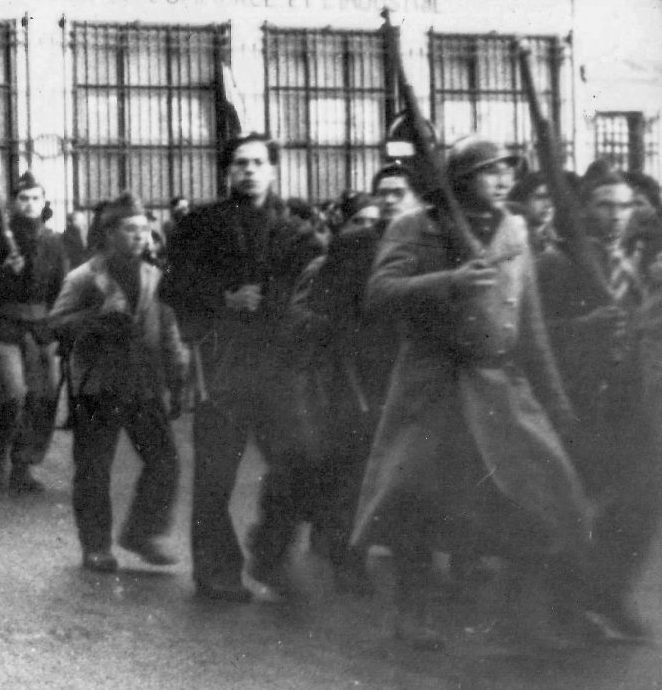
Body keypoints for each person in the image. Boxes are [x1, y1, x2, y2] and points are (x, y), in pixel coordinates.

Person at [353, 138, 588, 651]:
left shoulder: (515, 229)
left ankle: (524, 617)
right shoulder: (415, 225)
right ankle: (412, 614)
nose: (503, 181)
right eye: (489, 172)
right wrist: (449, 280)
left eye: (508, 171)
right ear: (461, 180)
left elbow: (529, 325)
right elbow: (381, 293)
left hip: (498, 383)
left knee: (538, 493)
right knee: (416, 501)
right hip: (434, 382)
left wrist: (555, 400)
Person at [160, 134, 324, 602]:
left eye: (257, 163)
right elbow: (170, 289)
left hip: (280, 366)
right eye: (239, 163)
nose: (248, 171)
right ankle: (215, 572)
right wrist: (223, 299)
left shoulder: (299, 231)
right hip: (224, 363)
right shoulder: (200, 226)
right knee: (215, 477)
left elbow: (317, 288)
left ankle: (270, 554)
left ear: (273, 169)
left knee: (300, 461)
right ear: (227, 172)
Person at [279, 165, 418, 595]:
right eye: (384, 192)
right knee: (355, 470)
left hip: (413, 367)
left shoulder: (428, 241)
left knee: (410, 467)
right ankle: (348, 559)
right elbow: (324, 306)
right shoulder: (355, 244)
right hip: (360, 372)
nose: (391, 200)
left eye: (400, 191)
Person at [538, 162, 662, 642]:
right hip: (572, 399)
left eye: (624, 206)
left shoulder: (632, 265)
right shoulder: (556, 264)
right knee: (573, 504)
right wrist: (582, 331)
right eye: (603, 206)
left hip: (625, 402)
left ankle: (609, 595)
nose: (615, 216)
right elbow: (531, 336)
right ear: (583, 210)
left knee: (638, 502)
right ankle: (566, 601)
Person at [50, 193, 189, 573]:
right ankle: (96, 547)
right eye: (130, 230)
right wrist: (96, 317)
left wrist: (178, 380)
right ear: (109, 234)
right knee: (94, 468)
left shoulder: (155, 277)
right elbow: (55, 326)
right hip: (98, 386)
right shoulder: (82, 278)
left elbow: (169, 332)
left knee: (165, 461)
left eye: (145, 230)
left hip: (144, 382)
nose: (140, 237)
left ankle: (142, 532)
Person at [0, 172, 68, 494]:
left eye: (35, 198)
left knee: (41, 398)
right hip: (2, 326)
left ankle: (23, 465)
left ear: (44, 202)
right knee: (10, 396)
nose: (29, 204)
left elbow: (61, 291)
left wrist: (60, 329)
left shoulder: (53, 242)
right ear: (12, 203)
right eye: (23, 198)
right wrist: (2, 271)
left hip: (39, 329)